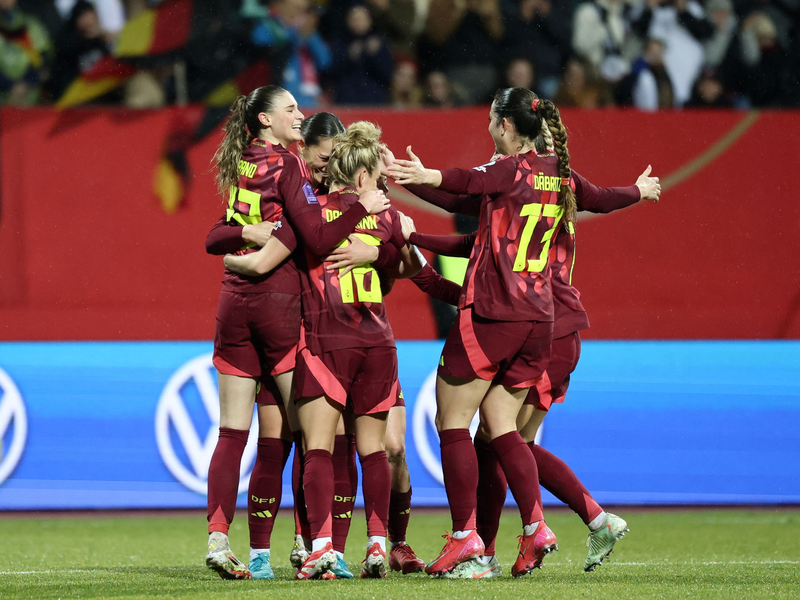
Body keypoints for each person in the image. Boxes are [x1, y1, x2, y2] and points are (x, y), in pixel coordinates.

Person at [396, 157, 661, 577]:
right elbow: (600, 199)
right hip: (553, 325)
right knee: (499, 439)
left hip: (538, 322)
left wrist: (412, 217)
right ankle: (507, 542)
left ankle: (517, 538)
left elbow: (464, 200)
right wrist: (637, 191)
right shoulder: (556, 186)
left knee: (501, 436)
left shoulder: (522, 186)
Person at [203, 86, 387, 580]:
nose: (299, 116)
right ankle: (316, 546)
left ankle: (222, 539)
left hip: (232, 303)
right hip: (281, 309)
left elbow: (214, 236)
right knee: (315, 436)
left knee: (235, 433)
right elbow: (319, 238)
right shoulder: (288, 167)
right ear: (266, 119)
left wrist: (241, 238)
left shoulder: (241, 162)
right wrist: (362, 206)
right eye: (291, 110)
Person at [389, 88, 573, 578]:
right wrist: (638, 192)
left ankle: (466, 535)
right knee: (500, 426)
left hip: (494, 313)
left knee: (451, 421)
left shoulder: (507, 169)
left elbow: (465, 182)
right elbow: (468, 196)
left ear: (505, 126)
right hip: (540, 320)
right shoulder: (557, 175)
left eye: (492, 122)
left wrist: (422, 175)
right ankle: (536, 526)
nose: (489, 131)